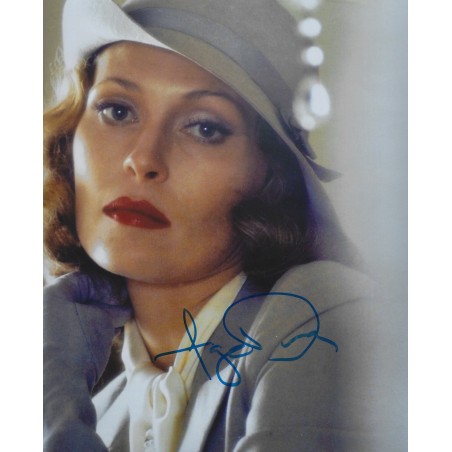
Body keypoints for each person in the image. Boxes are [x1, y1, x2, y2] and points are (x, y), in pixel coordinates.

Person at [43, 0, 395, 451]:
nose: (143, 159)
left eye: (205, 129)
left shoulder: (320, 315)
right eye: (117, 111)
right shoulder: (103, 412)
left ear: (269, 175)